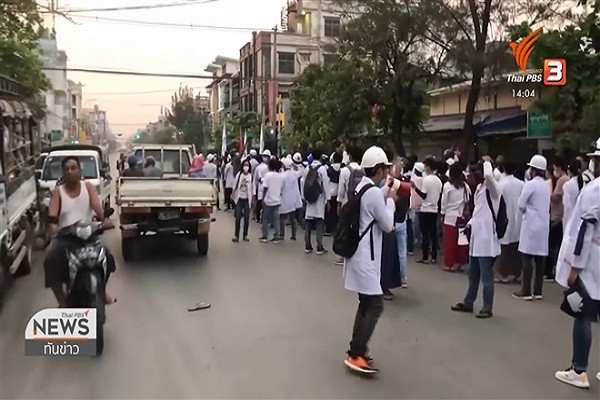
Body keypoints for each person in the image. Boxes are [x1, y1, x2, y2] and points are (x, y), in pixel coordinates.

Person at [343, 146, 397, 374]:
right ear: (377, 169)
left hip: (358, 256)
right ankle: (356, 354)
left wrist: (385, 191)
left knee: (366, 304)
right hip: (366, 258)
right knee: (375, 305)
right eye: (384, 168)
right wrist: (391, 201)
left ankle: (357, 350)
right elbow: (388, 225)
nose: (386, 172)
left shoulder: (362, 187)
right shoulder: (374, 194)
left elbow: (373, 203)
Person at [554, 138, 600, 388]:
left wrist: (575, 267)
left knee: (582, 313)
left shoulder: (595, 190)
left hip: (593, 259)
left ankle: (579, 370)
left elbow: (585, 231)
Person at [44, 156, 116, 307]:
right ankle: (62, 301)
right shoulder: (58, 192)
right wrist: (53, 226)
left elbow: (97, 206)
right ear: (63, 173)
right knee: (50, 259)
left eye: (73, 168)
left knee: (107, 257)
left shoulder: (88, 187)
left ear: (80, 170)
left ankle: (102, 290)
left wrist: (104, 220)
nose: (70, 172)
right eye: (67, 169)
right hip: (66, 238)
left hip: (88, 236)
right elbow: (52, 214)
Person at [451, 160, 501, 319]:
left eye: (471, 174)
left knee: (486, 276)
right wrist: (469, 224)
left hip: (486, 240)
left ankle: (487, 307)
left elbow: (488, 175)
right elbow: (479, 213)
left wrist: (485, 162)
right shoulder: (479, 189)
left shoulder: (493, 190)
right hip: (476, 238)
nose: (468, 178)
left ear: (479, 175)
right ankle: (468, 302)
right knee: (473, 274)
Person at [513, 155, 551, 301]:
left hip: (530, 224)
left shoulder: (530, 185)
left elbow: (521, 204)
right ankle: (538, 291)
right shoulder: (546, 185)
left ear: (534, 169)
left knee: (527, 256)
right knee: (540, 259)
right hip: (543, 225)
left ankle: (526, 290)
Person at [494, 162, 524, 284]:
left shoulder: (501, 185)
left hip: (505, 217)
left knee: (504, 247)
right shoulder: (521, 184)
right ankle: (516, 273)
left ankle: (504, 274)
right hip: (518, 218)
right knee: (516, 246)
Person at [440, 162, 471, 272]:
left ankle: (450, 263)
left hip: (450, 216)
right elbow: (468, 200)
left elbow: (444, 202)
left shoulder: (448, 186)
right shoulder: (465, 186)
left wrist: (443, 212)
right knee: (461, 241)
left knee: (450, 242)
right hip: (461, 216)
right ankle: (461, 263)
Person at [412, 157, 442, 264]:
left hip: (425, 209)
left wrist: (415, 188)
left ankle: (425, 256)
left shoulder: (426, 180)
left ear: (428, 166)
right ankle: (434, 256)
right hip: (434, 209)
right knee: (433, 233)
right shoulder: (438, 181)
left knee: (425, 234)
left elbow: (424, 195)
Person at [335, 146, 362, 265]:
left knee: (345, 229)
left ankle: (343, 255)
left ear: (350, 156)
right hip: (360, 203)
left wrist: (339, 204)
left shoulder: (345, 171)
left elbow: (341, 190)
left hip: (347, 203)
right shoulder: (363, 170)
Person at [302, 150, 331, 255]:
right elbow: (326, 184)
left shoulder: (307, 168)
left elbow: (303, 183)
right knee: (319, 222)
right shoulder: (322, 169)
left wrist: (304, 197)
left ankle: (307, 246)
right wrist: (328, 199)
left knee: (308, 221)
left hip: (309, 198)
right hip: (319, 198)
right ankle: (319, 246)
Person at [546, 157, 569, 281]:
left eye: (555, 168)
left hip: (556, 215)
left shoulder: (561, 180)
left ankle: (550, 271)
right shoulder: (568, 180)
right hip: (562, 215)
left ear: (559, 167)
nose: (554, 171)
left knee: (552, 245)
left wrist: (547, 193)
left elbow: (555, 198)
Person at [260, 158, 284, 243]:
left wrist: (263, 198)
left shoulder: (268, 175)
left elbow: (265, 187)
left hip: (268, 200)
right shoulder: (280, 176)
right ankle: (276, 236)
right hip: (277, 200)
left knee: (265, 218)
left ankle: (265, 236)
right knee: (276, 219)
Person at [279, 158, 302, 240]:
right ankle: (293, 235)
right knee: (293, 218)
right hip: (293, 199)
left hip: (284, 198)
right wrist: (295, 166)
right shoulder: (294, 174)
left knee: (282, 217)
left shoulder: (282, 176)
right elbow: (301, 171)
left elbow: (280, 188)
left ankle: (282, 234)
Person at [231, 159, 253, 242]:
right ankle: (236, 235)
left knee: (247, 218)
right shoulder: (239, 175)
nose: (246, 167)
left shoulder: (251, 176)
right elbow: (234, 185)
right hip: (239, 198)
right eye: (245, 165)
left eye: (247, 165)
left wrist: (253, 199)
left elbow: (253, 188)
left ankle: (245, 235)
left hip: (247, 199)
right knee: (238, 218)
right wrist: (233, 195)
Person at [326, 152, 343, 235]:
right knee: (338, 213)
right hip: (339, 192)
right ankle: (337, 229)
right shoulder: (343, 169)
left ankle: (328, 229)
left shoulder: (329, 169)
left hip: (331, 192)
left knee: (330, 212)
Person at [253, 150, 271, 222]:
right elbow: (255, 180)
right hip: (261, 189)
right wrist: (254, 191)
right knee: (260, 203)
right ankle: (258, 217)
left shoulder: (270, 167)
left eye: (266, 156)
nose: (265, 158)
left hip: (268, 190)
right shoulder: (258, 167)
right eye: (264, 156)